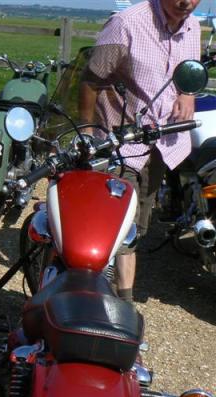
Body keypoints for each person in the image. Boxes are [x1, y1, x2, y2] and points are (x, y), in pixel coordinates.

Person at [78, 0, 201, 302]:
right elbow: (91, 81)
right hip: (122, 142)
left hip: (162, 143)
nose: (186, 2)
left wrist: (187, 94)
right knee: (118, 226)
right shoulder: (126, 24)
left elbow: (188, 73)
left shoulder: (193, 26)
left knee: (136, 227)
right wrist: (87, 132)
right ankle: (112, 302)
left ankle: (117, 301)